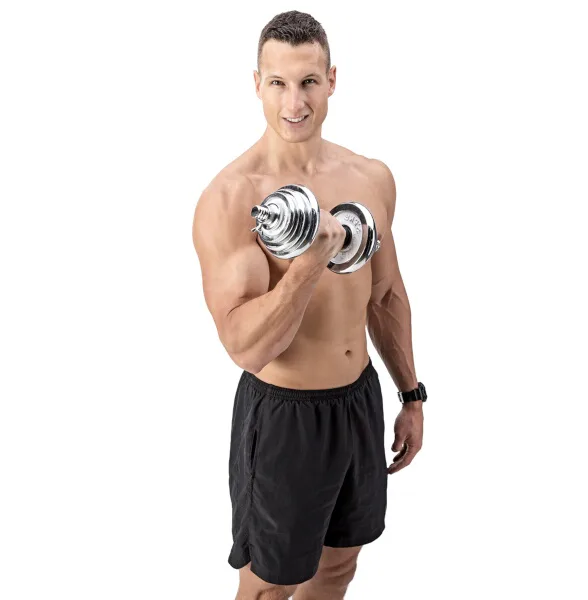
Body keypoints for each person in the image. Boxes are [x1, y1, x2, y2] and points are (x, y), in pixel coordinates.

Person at [192, 10, 426, 600]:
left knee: (339, 565)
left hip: (358, 402)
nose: (294, 103)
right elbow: (245, 347)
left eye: (308, 82)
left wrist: (411, 394)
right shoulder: (231, 199)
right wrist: (310, 261)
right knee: (269, 587)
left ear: (332, 81)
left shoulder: (370, 177)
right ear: (257, 85)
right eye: (278, 83)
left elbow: (386, 295)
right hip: (285, 417)